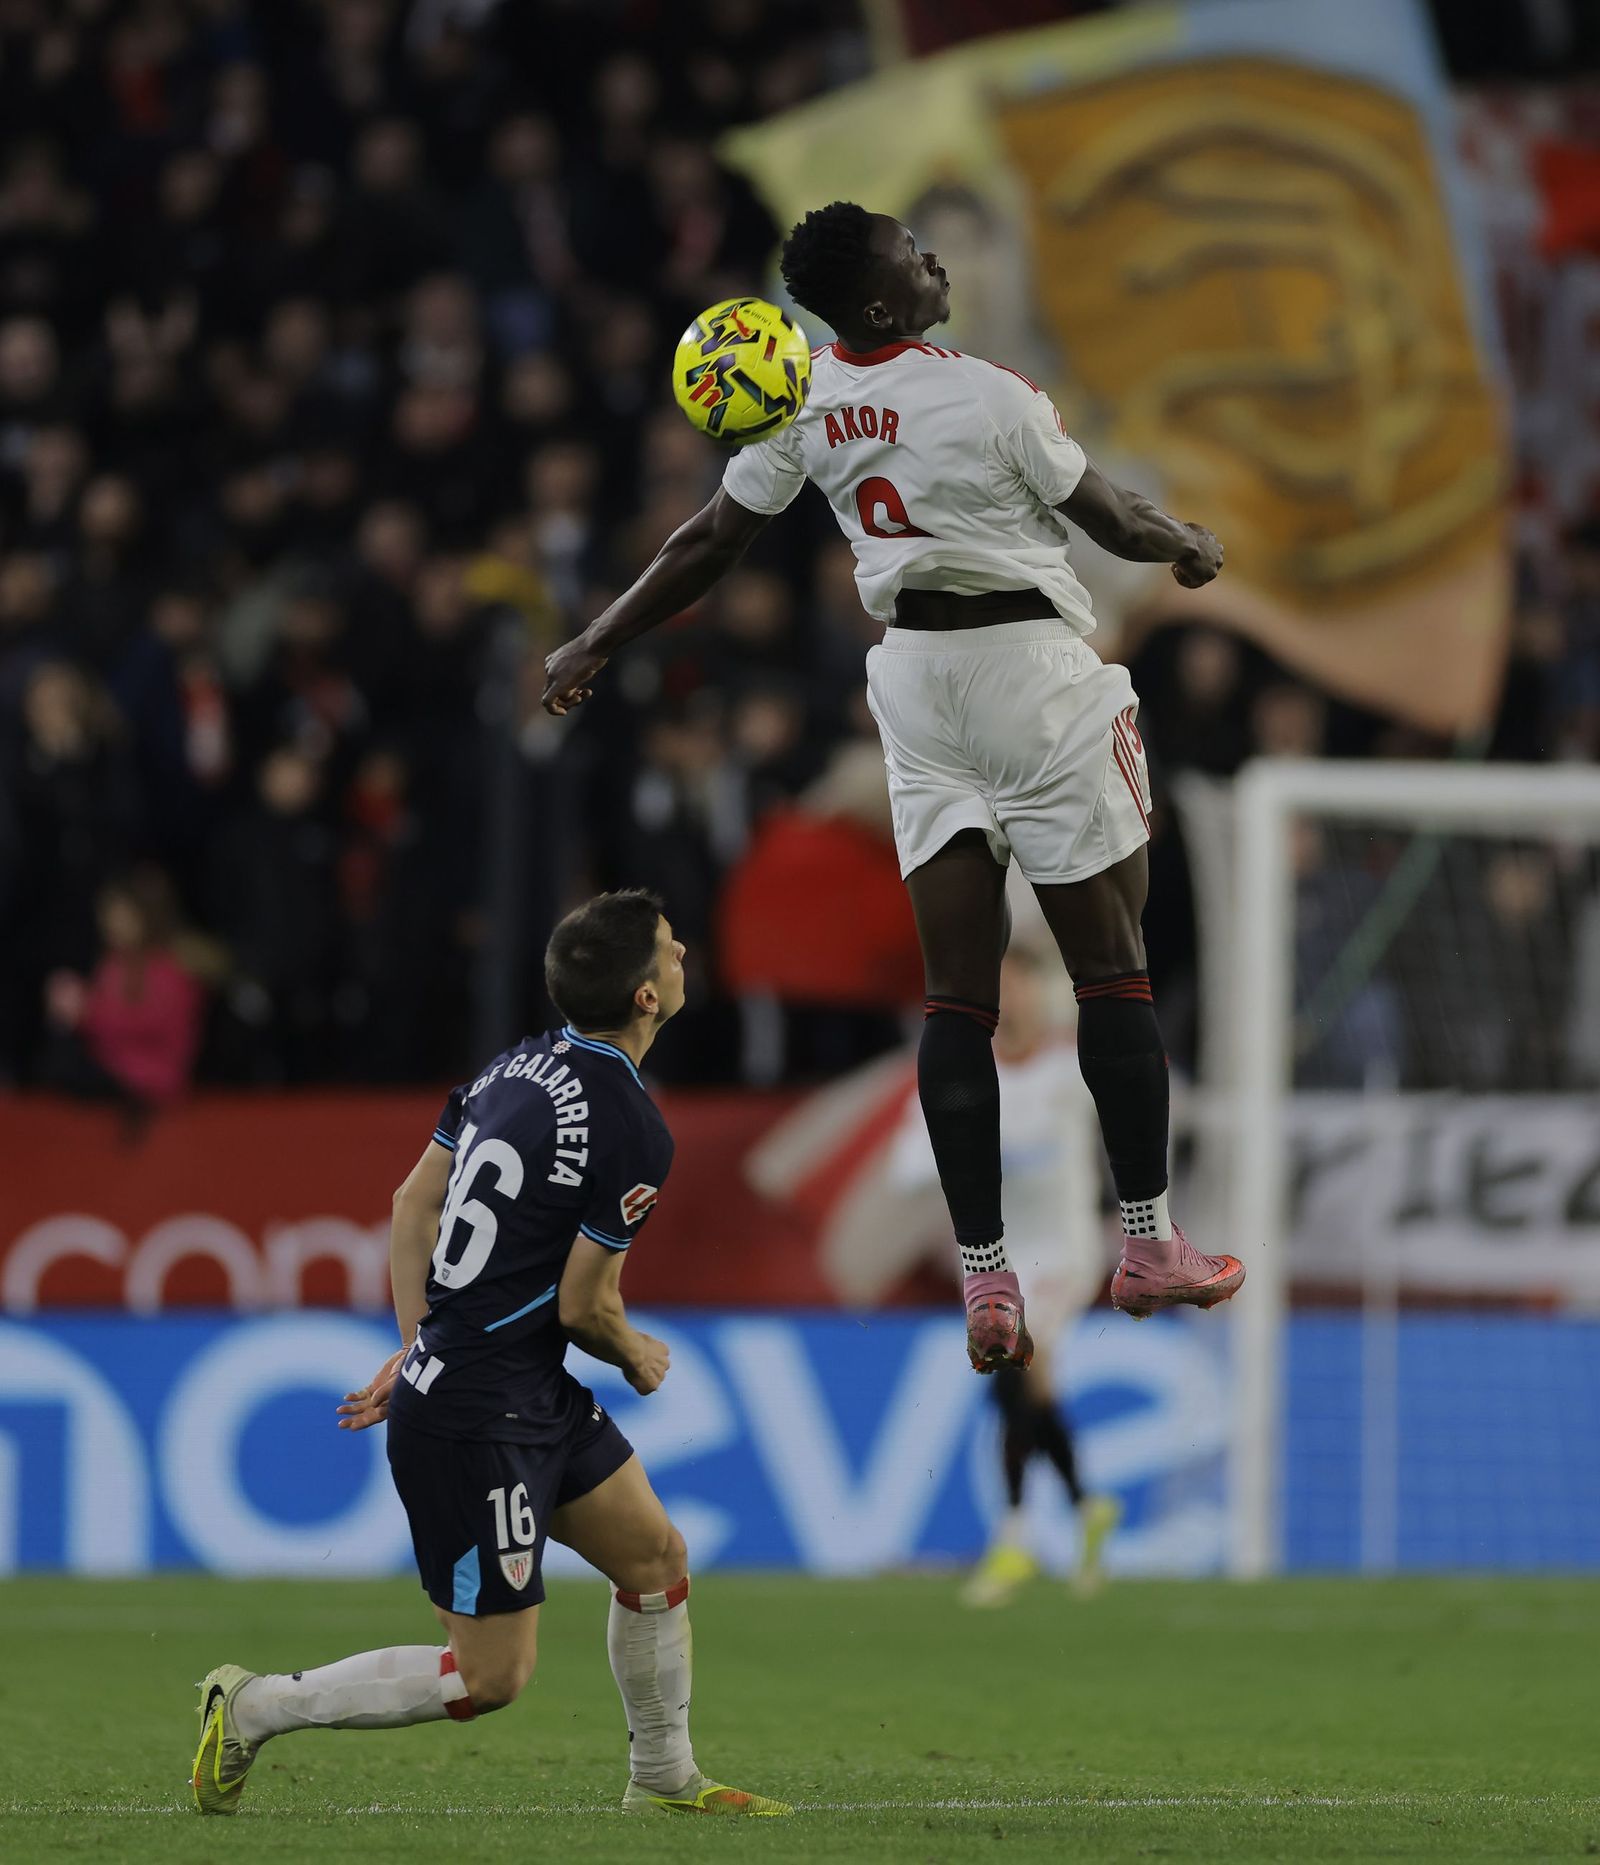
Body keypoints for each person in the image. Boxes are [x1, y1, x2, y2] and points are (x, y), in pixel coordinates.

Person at [542, 201, 1244, 1374]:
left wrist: (593, 641)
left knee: (957, 1000)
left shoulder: (801, 400)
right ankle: (1148, 1240)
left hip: (914, 688)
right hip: (1029, 673)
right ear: (879, 302)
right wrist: (1185, 544)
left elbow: (705, 543)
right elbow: (1108, 519)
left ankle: (985, 1273)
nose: (930, 263)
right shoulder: (990, 393)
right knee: (1109, 963)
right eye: (910, 257)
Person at [191, 889, 790, 1820]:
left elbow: (409, 1205)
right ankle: (258, 1705)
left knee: (654, 1553)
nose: (684, 960)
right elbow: (590, 1305)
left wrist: (420, 1341)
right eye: (672, 951)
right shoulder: (634, 1125)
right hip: (478, 1416)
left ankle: (665, 1777)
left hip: (517, 1385)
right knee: (491, 1677)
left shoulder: (514, 1065)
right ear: (643, 997)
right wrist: (635, 1355)